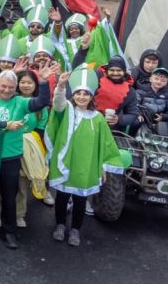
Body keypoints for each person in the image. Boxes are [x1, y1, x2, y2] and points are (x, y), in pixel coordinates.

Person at [0, 64, 54, 248]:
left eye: (10, 87)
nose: (7, 90)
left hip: (11, 157)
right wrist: (5, 125)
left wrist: (42, 82)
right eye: (3, 86)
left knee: (10, 197)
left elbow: (41, 103)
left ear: (15, 87)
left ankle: (9, 232)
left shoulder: (21, 103)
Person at [46, 68, 124, 247]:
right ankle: (59, 225)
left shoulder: (98, 118)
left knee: (81, 199)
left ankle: (75, 230)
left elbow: (105, 144)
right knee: (62, 197)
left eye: (86, 94)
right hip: (67, 162)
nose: (82, 97)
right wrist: (60, 86)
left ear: (91, 97)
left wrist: (104, 166)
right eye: (78, 93)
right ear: (73, 96)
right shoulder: (67, 110)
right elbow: (57, 104)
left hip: (86, 165)